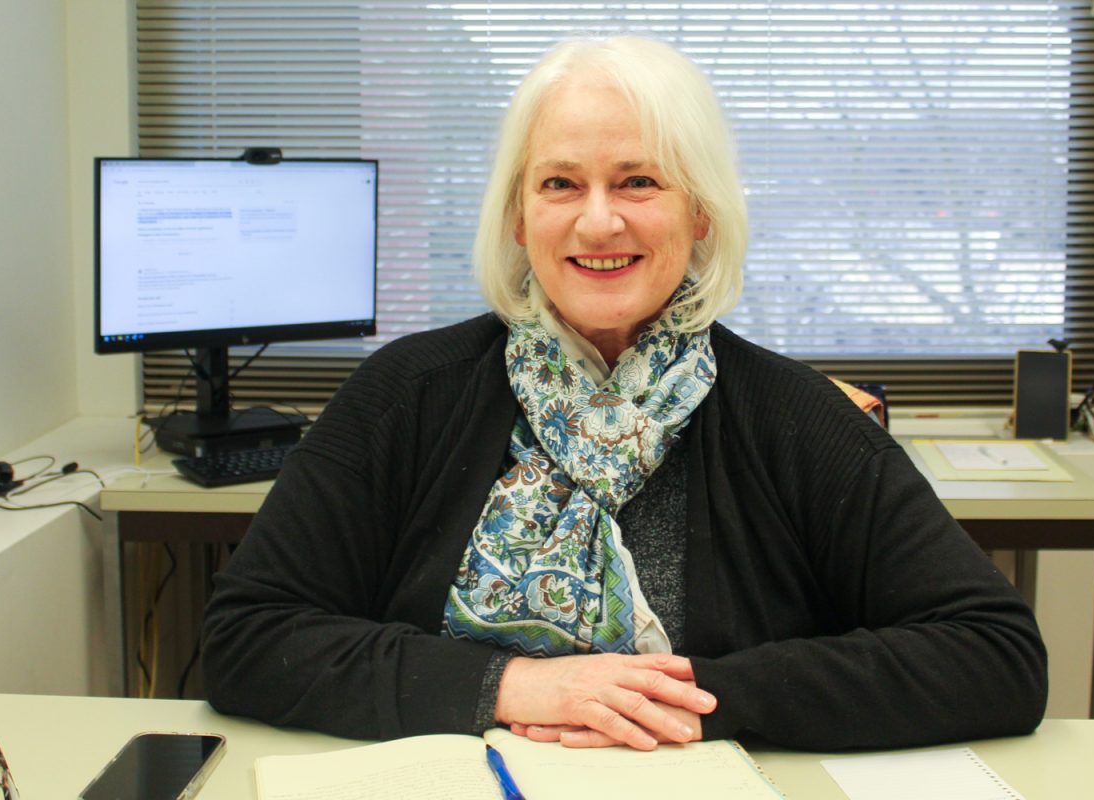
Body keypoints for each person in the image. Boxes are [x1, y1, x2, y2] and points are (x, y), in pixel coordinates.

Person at [202, 35, 1047, 753]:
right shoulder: (407, 395)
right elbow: (247, 637)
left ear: (701, 212)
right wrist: (511, 685)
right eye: (560, 183)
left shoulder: (794, 418)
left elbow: (995, 654)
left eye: (638, 182)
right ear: (517, 215)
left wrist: (687, 700)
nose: (598, 221)